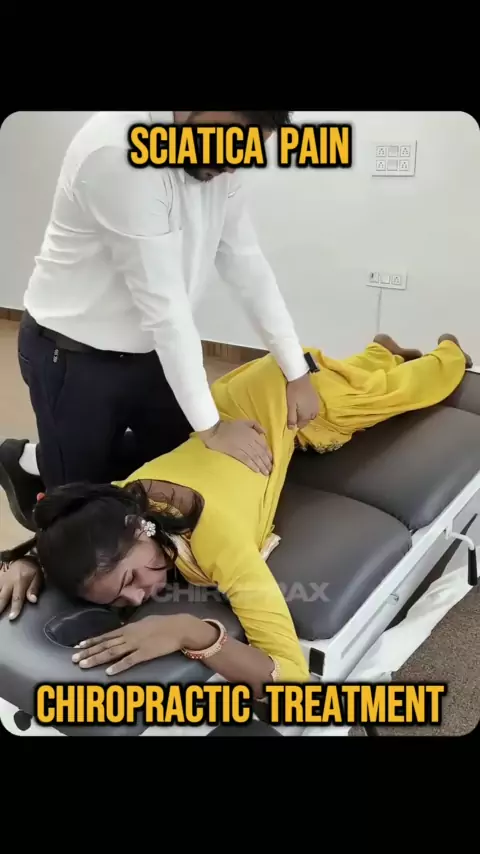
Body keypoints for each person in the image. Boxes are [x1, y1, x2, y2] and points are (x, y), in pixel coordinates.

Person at [0, 333, 471, 697]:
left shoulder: (216, 538)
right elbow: (72, 532)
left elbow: (291, 678)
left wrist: (192, 632)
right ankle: (380, 352)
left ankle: (447, 351)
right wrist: (25, 561)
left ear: (140, 528)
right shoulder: (117, 503)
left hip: (287, 403)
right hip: (233, 409)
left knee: (409, 390)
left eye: (133, 579)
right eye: (121, 599)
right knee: (358, 378)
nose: (143, 595)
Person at [0, 109, 319, 532]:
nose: (233, 163)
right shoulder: (117, 152)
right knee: (85, 513)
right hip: (72, 353)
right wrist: (213, 428)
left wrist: (297, 371)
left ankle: (37, 457)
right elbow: (165, 308)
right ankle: (25, 464)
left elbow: (246, 263)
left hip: (150, 349)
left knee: (175, 465)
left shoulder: (223, 160)